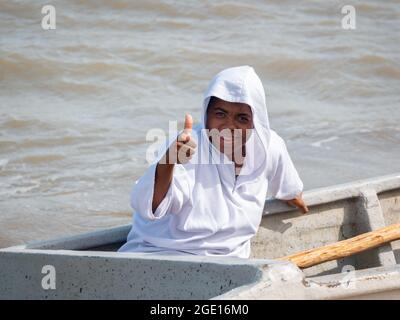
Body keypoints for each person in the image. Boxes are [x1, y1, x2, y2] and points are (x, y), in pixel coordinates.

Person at [118, 65, 308, 258]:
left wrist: (292, 195)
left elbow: (290, 190)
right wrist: (168, 162)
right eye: (220, 114)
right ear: (206, 114)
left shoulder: (269, 147)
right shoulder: (185, 146)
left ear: (255, 122)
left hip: (230, 262)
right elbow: (152, 206)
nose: (229, 126)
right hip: (161, 254)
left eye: (242, 118)